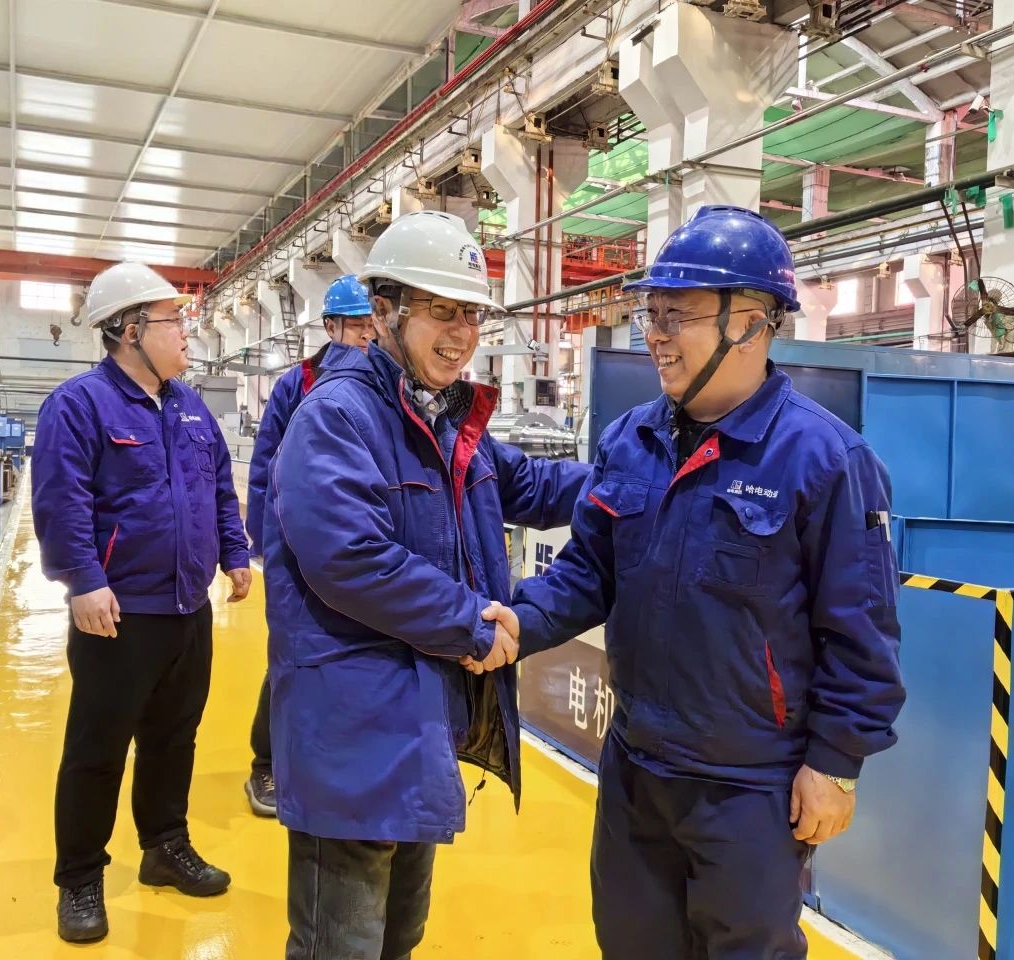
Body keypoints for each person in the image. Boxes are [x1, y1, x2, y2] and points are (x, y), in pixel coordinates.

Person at [503, 205, 906, 959]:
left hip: (750, 787)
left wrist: (835, 764)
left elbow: (862, 631)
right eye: (650, 314)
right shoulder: (630, 440)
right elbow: (588, 572)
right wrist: (518, 623)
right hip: (636, 767)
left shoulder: (825, 460)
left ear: (750, 324)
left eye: (677, 315)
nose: (654, 335)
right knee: (630, 944)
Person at [262, 210, 591, 960]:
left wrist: (635, 480)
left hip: (418, 719)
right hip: (351, 724)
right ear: (384, 312)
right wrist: (475, 625)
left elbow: (535, 485)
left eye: (471, 314)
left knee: (399, 935)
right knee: (339, 943)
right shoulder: (338, 418)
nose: (462, 333)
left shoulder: (445, 422)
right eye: (442, 311)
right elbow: (351, 558)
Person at [32, 261, 252, 944]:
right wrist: (82, 580)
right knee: (97, 749)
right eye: (172, 320)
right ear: (129, 330)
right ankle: (79, 879)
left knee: (173, 739)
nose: (186, 331)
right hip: (118, 612)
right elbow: (62, 499)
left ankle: (164, 847)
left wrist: (235, 551)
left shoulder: (190, 406)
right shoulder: (79, 405)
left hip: (188, 608)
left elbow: (218, 487)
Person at [242, 274, 376, 817]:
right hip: (295, 551)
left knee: (346, 660)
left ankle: (328, 763)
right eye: (356, 325)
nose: (366, 335)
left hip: (353, 547)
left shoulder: (383, 384)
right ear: (330, 326)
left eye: (372, 324)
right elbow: (263, 468)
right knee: (290, 660)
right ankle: (266, 765)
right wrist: (261, 544)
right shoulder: (297, 385)